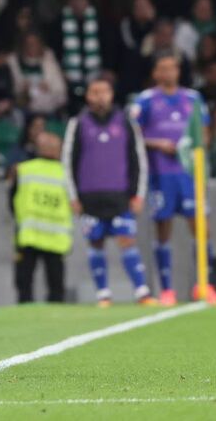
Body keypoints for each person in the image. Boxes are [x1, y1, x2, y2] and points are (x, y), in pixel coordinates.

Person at [131, 53, 216, 306]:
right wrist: (157, 143)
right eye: (163, 68)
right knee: (164, 227)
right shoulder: (146, 100)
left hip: (190, 174)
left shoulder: (193, 98)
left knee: (202, 226)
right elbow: (133, 134)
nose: (169, 72)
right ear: (156, 73)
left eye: (173, 68)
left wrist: (193, 147)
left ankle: (205, 285)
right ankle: (167, 289)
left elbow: (204, 132)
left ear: (178, 71)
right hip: (161, 173)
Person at [62, 79, 156, 306]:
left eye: (104, 91)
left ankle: (142, 292)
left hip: (120, 195)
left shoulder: (126, 122)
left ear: (112, 94)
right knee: (95, 243)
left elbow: (138, 160)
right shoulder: (78, 123)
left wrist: (138, 194)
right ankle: (103, 294)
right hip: (89, 197)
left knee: (127, 240)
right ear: (88, 96)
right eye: (95, 92)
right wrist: (73, 197)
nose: (100, 96)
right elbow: (68, 162)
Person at [11, 133, 72, 303]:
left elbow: (12, 199)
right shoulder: (66, 174)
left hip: (31, 233)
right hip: (52, 235)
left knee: (28, 281)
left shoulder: (24, 169)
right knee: (52, 282)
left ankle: (27, 308)